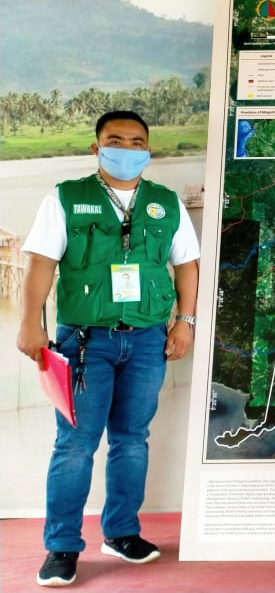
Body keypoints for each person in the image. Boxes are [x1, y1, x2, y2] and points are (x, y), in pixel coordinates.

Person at [17, 111, 200, 587]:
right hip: (84, 343)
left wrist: (186, 322)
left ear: (148, 149)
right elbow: (41, 265)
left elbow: (187, 265)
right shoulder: (66, 197)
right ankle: (61, 547)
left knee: (132, 440)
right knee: (76, 445)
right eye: (115, 139)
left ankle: (121, 532)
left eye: (136, 140)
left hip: (146, 340)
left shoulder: (164, 203)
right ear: (97, 147)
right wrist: (29, 326)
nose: (126, 147)